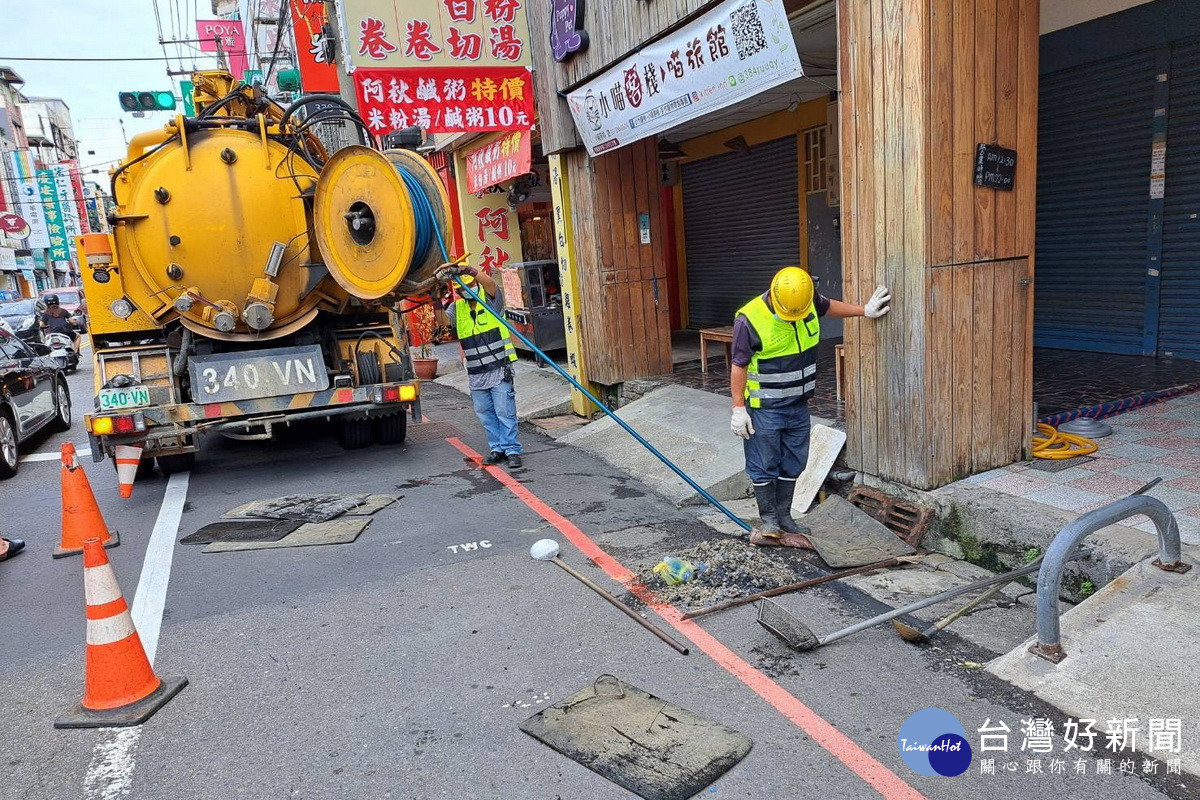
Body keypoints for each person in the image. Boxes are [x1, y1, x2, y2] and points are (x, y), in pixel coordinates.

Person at [730, 267, 891, 548]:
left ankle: (785, 517)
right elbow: (738, 367)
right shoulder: (749, 320)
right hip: (765, 408)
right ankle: (769, 519)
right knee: (765, 463)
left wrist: (864, 310)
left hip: (798, 405)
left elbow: (830, 306)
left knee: (795, 462)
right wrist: (738, 408)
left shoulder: (806, 299)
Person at [437, 263, 524, 470]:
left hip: (498, 369)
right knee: (485, 413)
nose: (465, 291)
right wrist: (435, 296)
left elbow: (491, 283)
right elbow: (442, 321)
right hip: (476, 373)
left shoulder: (491, 300)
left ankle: (512, 450)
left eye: (469, 285)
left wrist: (468, 270)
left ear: (475, 284)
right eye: (460, 289)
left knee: (505, 411)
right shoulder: (456, 308)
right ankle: (497, 449)